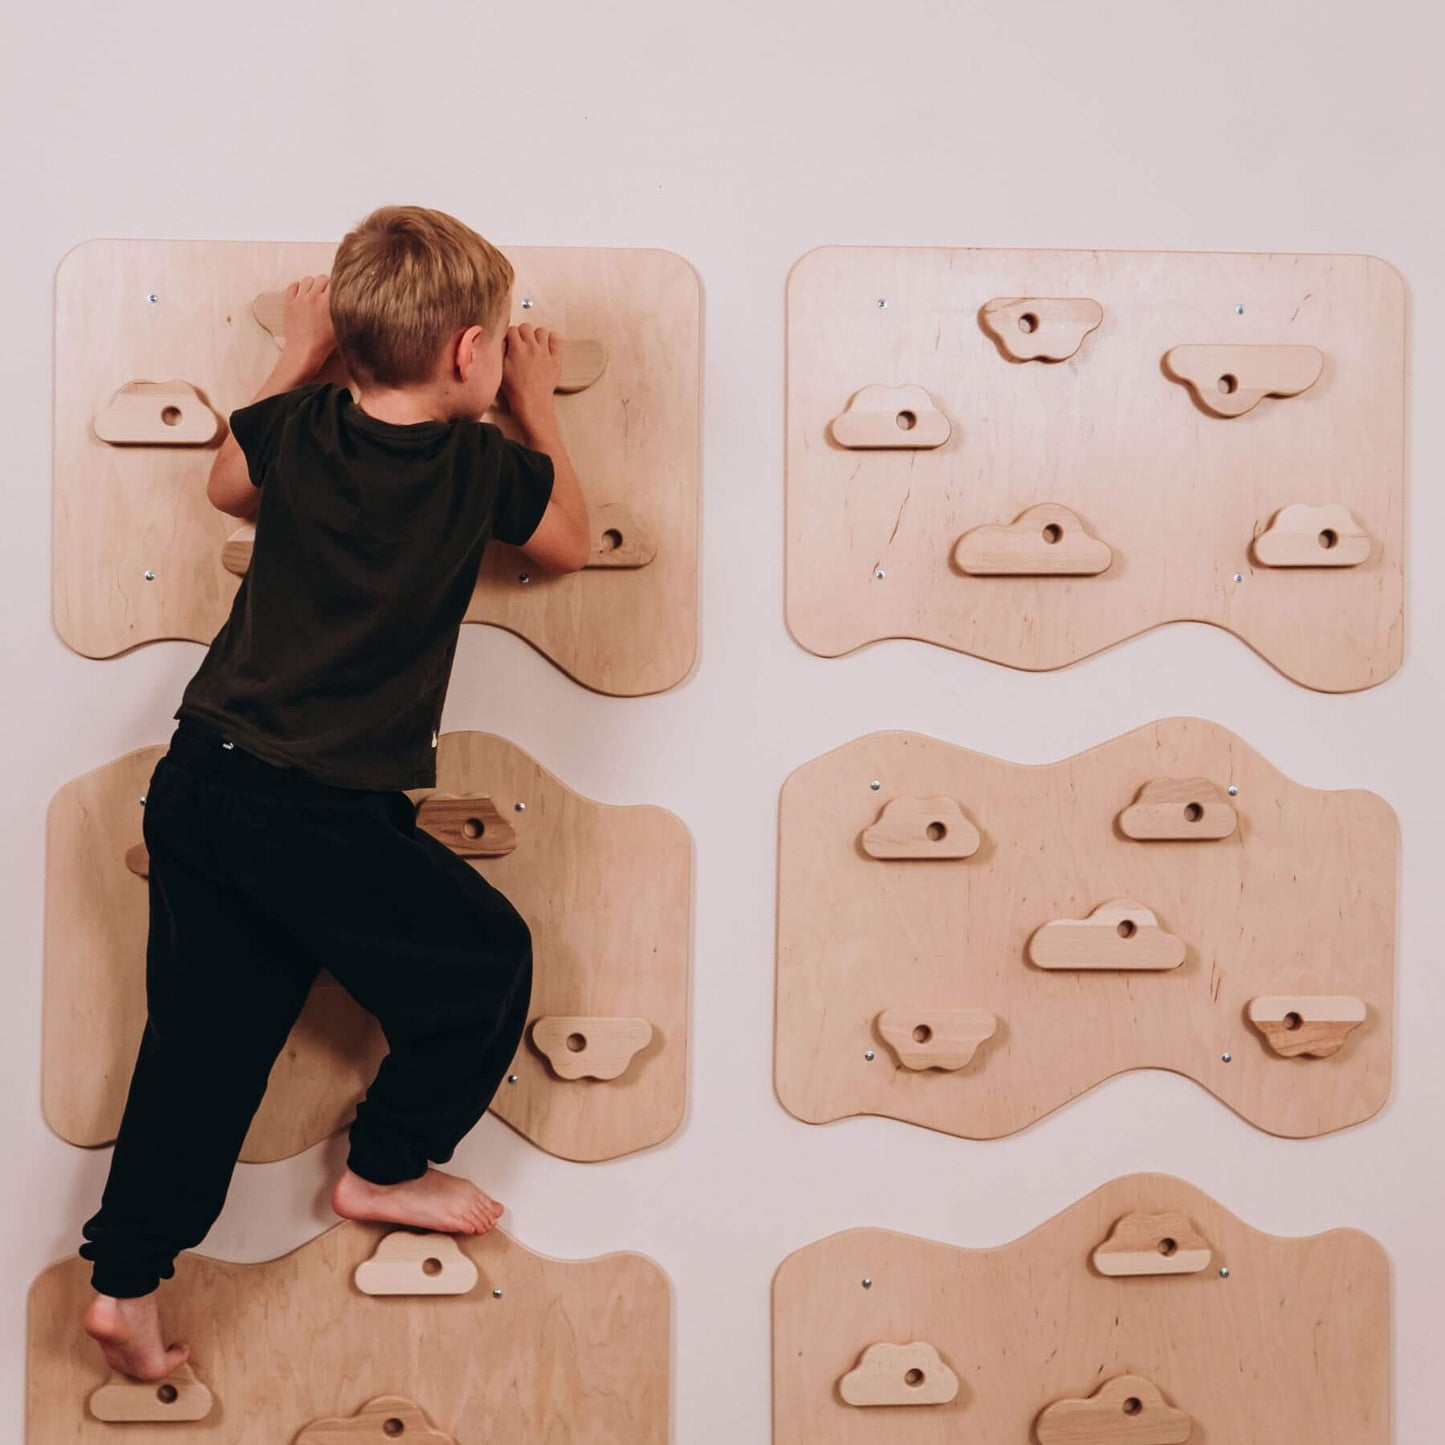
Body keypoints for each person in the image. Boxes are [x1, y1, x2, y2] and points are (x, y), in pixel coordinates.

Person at [79, 206, 592, 1381]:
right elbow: (565, 541)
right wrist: (537, 405)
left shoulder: (300, 425)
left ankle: (125, 1281)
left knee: (201, 1057)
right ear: (470, 350)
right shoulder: (478, 465)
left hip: (202, 776)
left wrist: (297, 353)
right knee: (484, 962)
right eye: (499, 342)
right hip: (316, 811)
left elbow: (225, 483)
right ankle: (387, 1162)